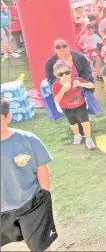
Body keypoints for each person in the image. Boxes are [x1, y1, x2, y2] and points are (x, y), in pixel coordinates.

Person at [1, 99, 58, 252]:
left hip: (31, 203)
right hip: (2, 210)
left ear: (8, 117)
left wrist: (44, 194)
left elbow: (42, 167)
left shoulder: (27, 139)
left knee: (41, 247)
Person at [51, 61, 96, 149]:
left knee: (85, 123)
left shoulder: (76, 80)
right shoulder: (56, 85)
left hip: (80, 105)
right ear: (56, 75)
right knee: (73, 124)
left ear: (70, 71)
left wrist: (81, 84)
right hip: (66, 108)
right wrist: (63, 90)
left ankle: (89, 139)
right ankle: (77, 135)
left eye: (67, 73)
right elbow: (56, 100)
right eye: (61, 74)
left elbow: (91, 85)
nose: (65, 76)